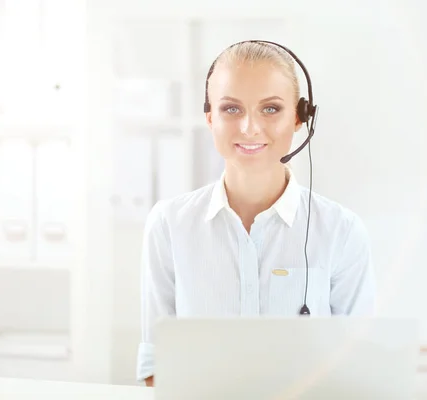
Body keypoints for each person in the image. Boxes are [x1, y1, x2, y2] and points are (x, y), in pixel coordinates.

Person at [136, 40, 376, 387]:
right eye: (232, 109)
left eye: (270, 109)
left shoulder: (342, 231)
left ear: (299, 118)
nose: (249, 127)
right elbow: (155, 365)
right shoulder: (169, 225)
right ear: (210, 118)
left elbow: (358, 369)